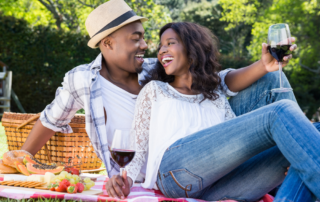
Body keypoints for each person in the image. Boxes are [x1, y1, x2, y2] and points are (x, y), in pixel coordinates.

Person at [105, 22, 320, 202]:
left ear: (192, 50)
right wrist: (126, 179)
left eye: (170, 43)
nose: (161, 51)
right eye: (160, 46)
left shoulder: (216, 92)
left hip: (218, 184)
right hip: (174, 173)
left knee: (310, 135)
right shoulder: (155, 90)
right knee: (280, 113)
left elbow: (236, 142)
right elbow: (138, 147)